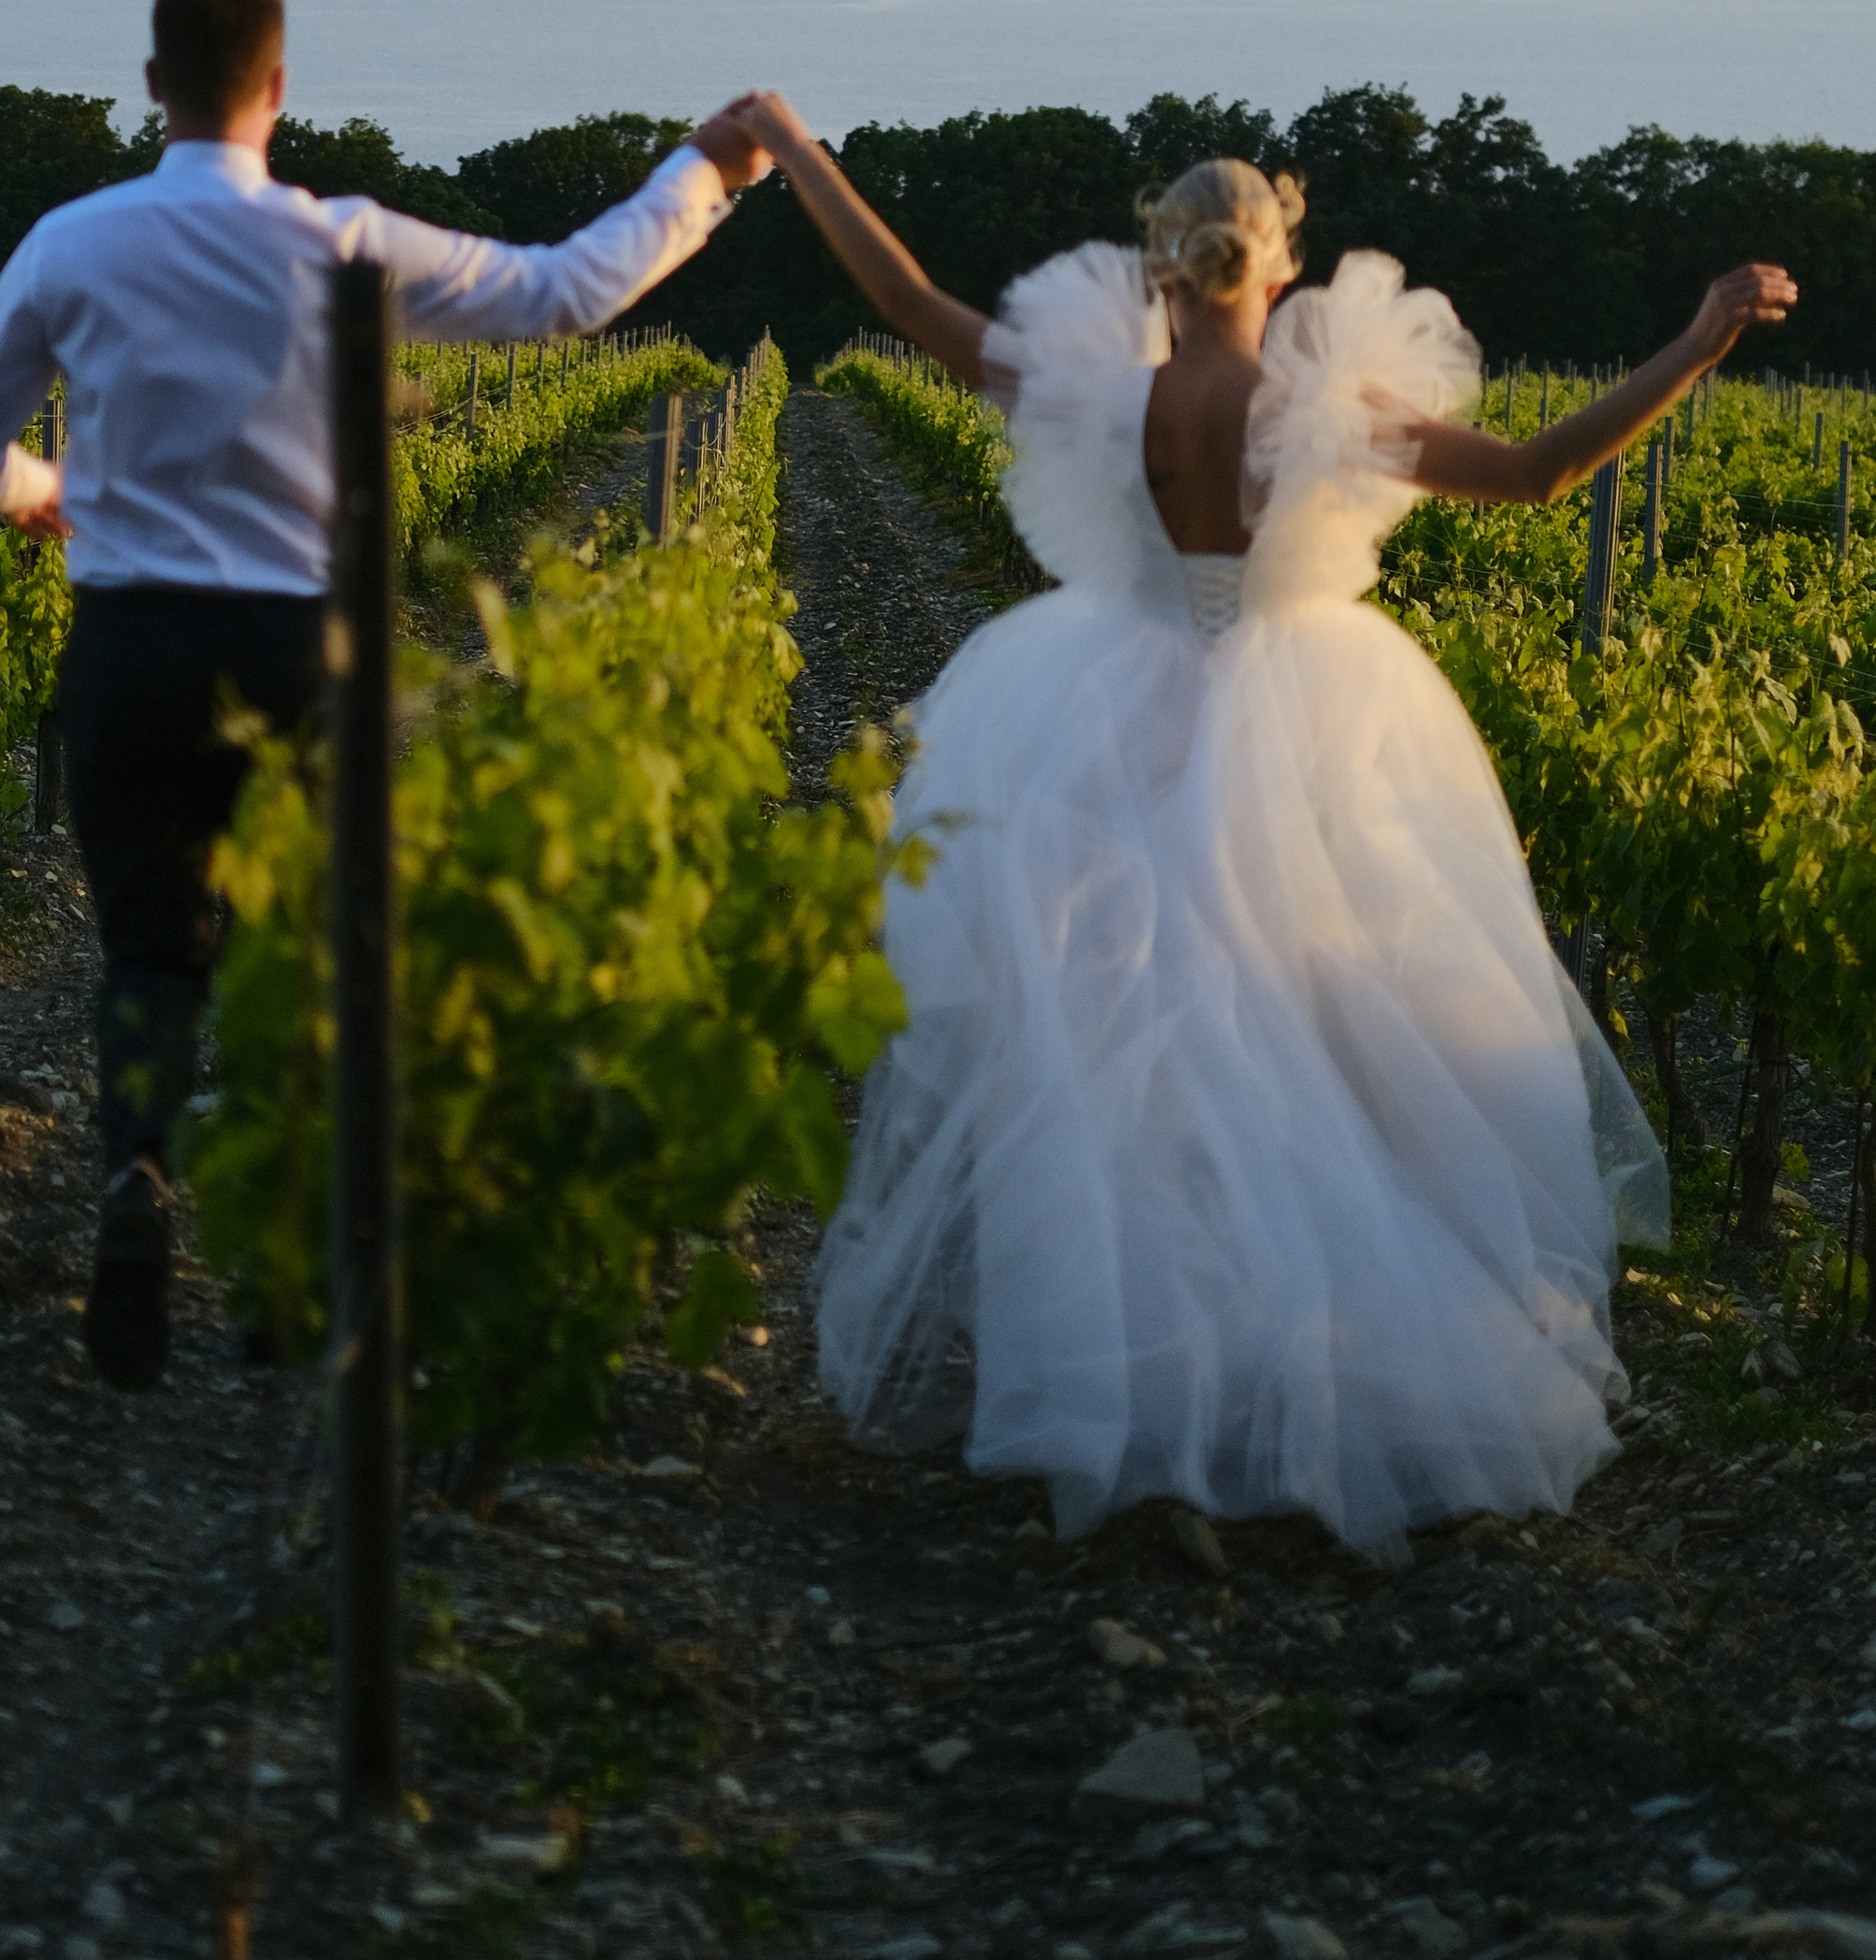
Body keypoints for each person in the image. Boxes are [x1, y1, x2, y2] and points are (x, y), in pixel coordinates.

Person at [737, 95, 1796, 1559]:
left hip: (1108, 715)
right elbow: (1546, 472)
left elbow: (908, 300)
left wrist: (795, 150)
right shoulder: (1325, 414)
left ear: (1162, 268)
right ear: (1274, 267)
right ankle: (1309, 1370)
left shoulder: (1106, 395)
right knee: (1316, 1050)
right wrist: (1700, 338)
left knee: (1127, 1057)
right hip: (1306, 728)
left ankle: (1137, 1383)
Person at [0, 0, 771, 1392]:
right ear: (278, 88)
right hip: (293, 643)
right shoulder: (347, 248)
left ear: (152, 89)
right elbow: (568, 294)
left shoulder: (71, 243)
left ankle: (134, 1187)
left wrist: (39, 489)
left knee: (145, 942)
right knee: (298, 951)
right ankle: (279, 1269)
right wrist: (711, 169)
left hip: (129, 639)